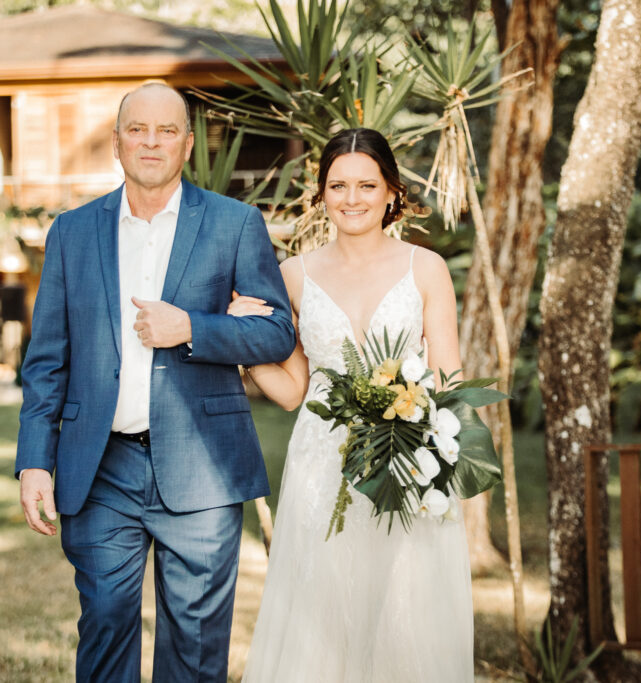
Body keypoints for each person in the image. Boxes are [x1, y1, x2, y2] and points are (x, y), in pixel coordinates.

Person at [15, 83, 296, 683]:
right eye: (137, 129)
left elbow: (276, 333)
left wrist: (191, 327)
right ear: (116, 143)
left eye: (167, 130)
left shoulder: (235, 224)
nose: (151, 141)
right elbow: (46, 360)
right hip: (100, 467)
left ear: (188, 145)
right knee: (107, 621)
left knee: (194, 646)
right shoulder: (71, 231)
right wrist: (35, 461)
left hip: (204, 467)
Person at [231, 128, 474, 681]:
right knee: (322, 614)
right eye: (337, 185)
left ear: (391, 192)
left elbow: (448, 380)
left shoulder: (426, 268)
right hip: (322, 466)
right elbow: (294, 390)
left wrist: (428, 454)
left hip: (410, 461)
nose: (352, 198)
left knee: (405, 613)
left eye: (367, 184)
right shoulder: (293, 275)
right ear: (321, 194)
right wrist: (243, 339)